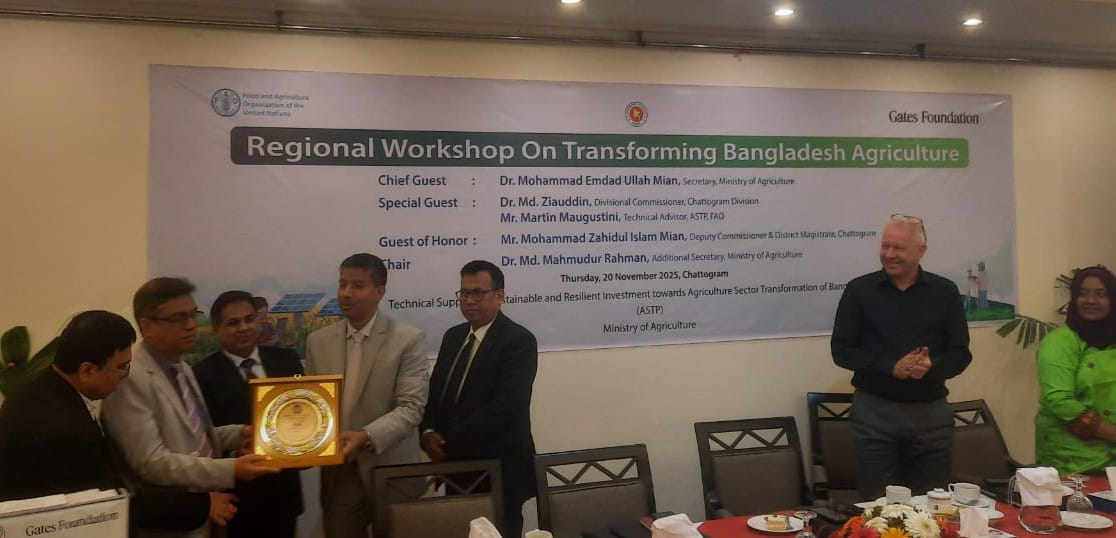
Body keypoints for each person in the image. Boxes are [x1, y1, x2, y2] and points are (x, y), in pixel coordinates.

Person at [0, 310, 234, 533]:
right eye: (122, 367)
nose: (126, 376)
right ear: (87, 370)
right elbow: (110, 506)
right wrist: (202, 506)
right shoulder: (66, 428)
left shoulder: (36, 390)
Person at [103, 277, 278, 538]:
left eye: (193, 314)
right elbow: (152, 462)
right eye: (178, 318)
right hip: (171, 525)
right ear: (147, 326)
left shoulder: (181, 367)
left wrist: (239, 433)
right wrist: (230, 470)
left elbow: (193, 435)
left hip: (208, 516)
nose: (191, 325)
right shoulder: (130, 378)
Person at [831, 214, 972, 498]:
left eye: (898, 248)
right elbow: (842, 351)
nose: (889, 254)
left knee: (932, 504)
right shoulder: (860, 290)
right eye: (885, 246)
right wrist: (889, 367)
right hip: (875, 414)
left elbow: (960, 354)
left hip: (930, 415)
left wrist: (932, 366)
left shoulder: (945, 291)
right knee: (879, 504)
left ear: (921, 250)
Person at [305, 253, 428, 538]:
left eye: (357, 285)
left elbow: (411, 407)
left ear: (380, 291)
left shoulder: (408, 339)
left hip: (391, 470)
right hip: (340, 474)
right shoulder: (317, 342)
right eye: (342, 284)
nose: (346, 293)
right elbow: (313, 405)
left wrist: (365, 436)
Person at [420, 260, 538, 537]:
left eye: (477, 293)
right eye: (464, 293)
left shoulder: (518, 340)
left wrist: (448, 444)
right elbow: (435, 394)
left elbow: (506, 407)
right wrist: (427, 432)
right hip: (456, 469)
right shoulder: (453, 337)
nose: (469, 300)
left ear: (500, 295)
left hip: (500, 470)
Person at [193, 291, 304, 538]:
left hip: (284, 495)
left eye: (249, 319)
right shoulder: (201, 375)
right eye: (233, 323)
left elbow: (304, 412)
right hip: (236, 500)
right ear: (216, 329)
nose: (244, 328)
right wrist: (236, 453)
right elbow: (203, 436)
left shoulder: (287, 360)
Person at [1035, 266, 1116, 474]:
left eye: (1101, 294)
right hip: (1073, 460)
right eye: (1083, 293)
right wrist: (1111, 432)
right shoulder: (1061, 341)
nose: (1090, 300)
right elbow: (1059, 400)